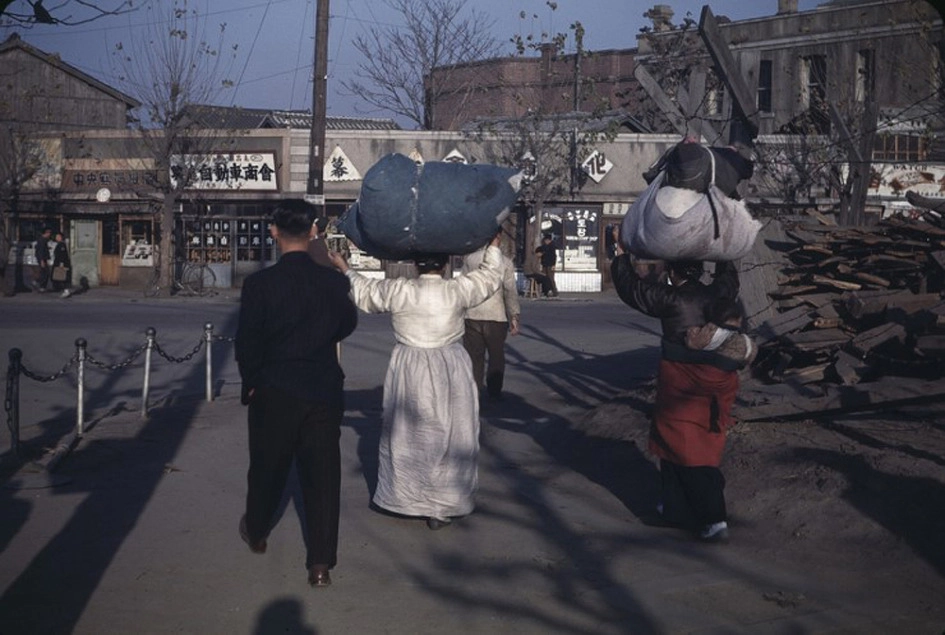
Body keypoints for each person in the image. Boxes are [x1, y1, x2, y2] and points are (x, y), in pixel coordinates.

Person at [327, 233, 503, 531]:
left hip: (409, 368)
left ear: (414, 265)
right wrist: (494, 248)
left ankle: (409, 499)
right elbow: (489, 278)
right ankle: (442, 504)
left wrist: (344, 267)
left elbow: (365, 292)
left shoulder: (400, 290)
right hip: (450, 367)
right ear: (446, 265)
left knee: (410, 433)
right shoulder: (457, 290)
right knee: (450, 434)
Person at [235, 199, 358, 588]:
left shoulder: (259, 285)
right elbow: (346, 324)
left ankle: (256, 531)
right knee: (322, 478)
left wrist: (251, 381)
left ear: (273, 233)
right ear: (313, 232)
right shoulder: (333, 282)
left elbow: (247, 342)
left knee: (267, 467)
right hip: (322, 388)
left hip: (274, 388)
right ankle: (320, 564)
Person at [611, 241, 741, 543]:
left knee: (689, 452)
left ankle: (714, 519)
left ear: (672, 271)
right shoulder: (717, 292)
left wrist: (620, 258)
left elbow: (634, 290)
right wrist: (724, 256)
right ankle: (674, 509)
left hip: (681, 381)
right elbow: (730, 278)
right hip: (714, 379)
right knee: (680, 447)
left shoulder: (671, 298)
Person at [461, 232, 521, 401]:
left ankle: (474, 391)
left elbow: (463, 287)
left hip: (472, 314)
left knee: (474, 357)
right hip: (496, 315)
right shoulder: (505, 262)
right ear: (498, 238)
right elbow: (510, 291)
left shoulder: (471, 259)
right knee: (496, 356)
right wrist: (514, 317)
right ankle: (494, 391)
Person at [51, 231, 72, 296]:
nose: (56, 238)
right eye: (56, 236)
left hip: (61, 264)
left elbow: (62, 255)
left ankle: (66, 290)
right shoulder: (59, 244)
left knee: (63, 277)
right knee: (58, 277)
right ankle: (62, 289)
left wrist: (62, 263)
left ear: (61, 237)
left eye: (58, 237)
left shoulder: (62, 245)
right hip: (58, 263)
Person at [32, 227, 52, 292]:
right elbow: (41, 251)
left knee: (44, 272)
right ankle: (38, 283)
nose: (50, 234)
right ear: (46, 233)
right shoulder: (42, 240)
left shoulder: (43, 240)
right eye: (49, 232)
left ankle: (41, 286)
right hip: (42, 259)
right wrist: (42, 260)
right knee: (46, 272)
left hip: (43, 258)